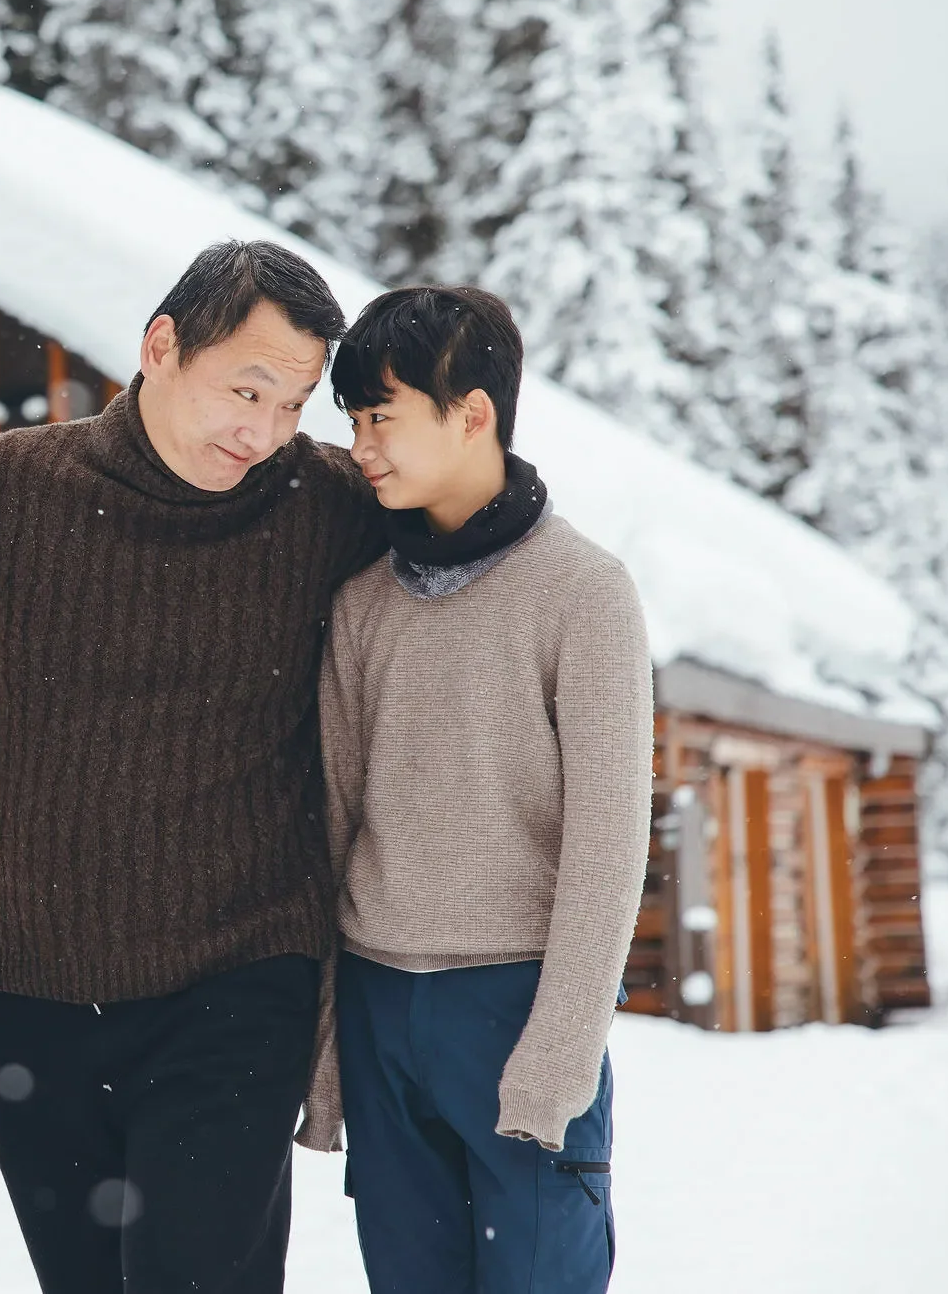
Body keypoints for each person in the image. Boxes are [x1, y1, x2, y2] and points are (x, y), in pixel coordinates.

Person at [0, 240, 387, 1293]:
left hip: (237, 987)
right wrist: (31, 800)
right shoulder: (9, 490)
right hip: (36, 995)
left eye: (293, 403)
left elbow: (465, 532)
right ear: (160, 345)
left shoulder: (318, 503)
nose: (263, 430)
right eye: (247, 388)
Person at [317, 285, 652, 1293]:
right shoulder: (359, 600)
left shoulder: (582, 592)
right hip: (381, 1012)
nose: (359, 445)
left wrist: (557, 1055)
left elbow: (607, 850)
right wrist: (332, 1055)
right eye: (352, 422)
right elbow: (329, 829)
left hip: (517, 1007)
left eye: (380, 416)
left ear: (470, 413)